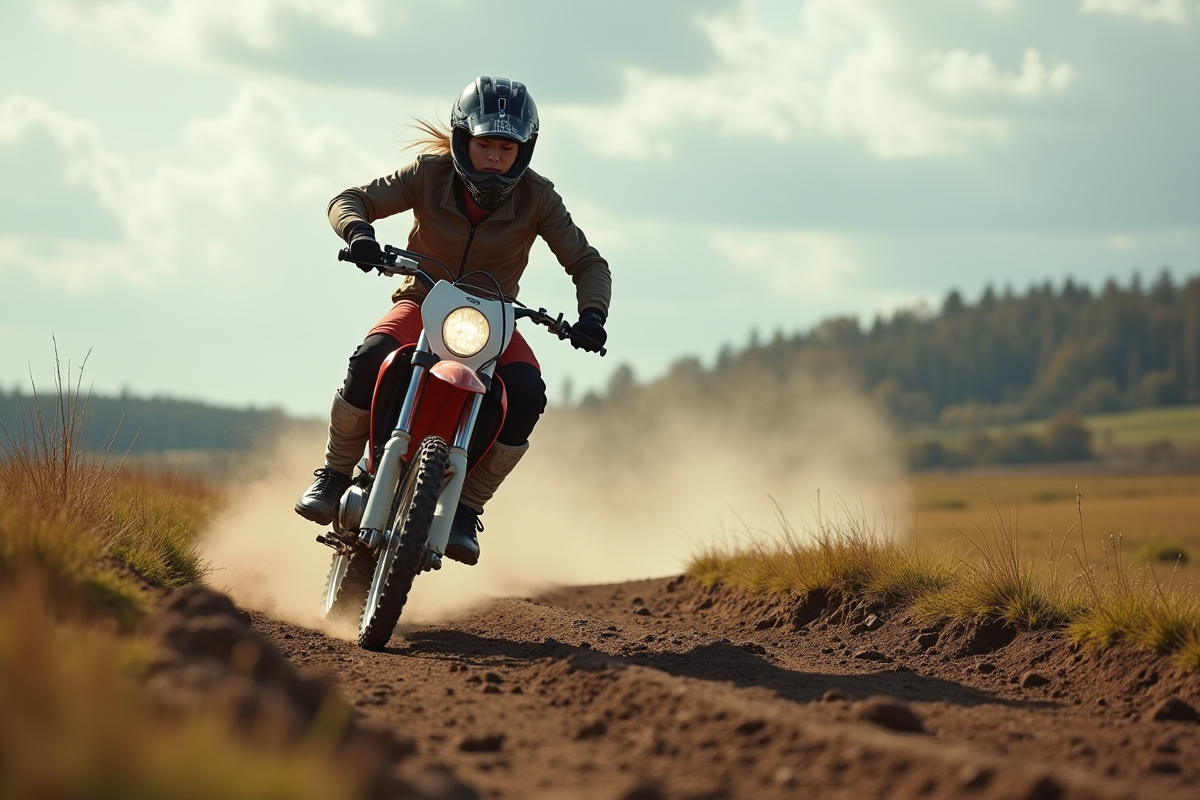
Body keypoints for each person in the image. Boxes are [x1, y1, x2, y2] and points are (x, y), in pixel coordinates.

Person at [295, 76, 611, 567]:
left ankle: (466, 508)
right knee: (370, 358)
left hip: (495, 318)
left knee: (528, 393)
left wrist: (592, 314)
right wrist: (359, 234)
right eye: (485, 144)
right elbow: (350, 199)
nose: (494, 158)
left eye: (506, 148)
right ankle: (334, 474)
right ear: (463, 140)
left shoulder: (539, 198)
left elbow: (587, 262)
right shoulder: (428, 173)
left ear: (523, 150)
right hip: (421, 300)